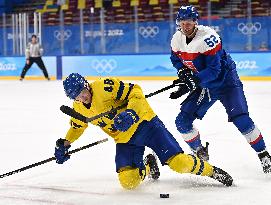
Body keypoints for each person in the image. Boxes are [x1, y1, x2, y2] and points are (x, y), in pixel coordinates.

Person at [54, 73, 233, 190]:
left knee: (179, 163)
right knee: (128, 182)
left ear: (87, 84)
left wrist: (131, 113)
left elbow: (135, 92)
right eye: (76, 96)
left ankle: (212, 171)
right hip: (125, 138)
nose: (82, 97)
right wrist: (65, 144)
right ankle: (149, 165)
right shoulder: (78, 107)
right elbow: (77, 126)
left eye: (82, 92)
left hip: (146, 123)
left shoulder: (104, 86)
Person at [169, 5, 271, 173]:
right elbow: (176, 59)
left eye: (189, 23)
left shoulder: (209, 37)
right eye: (182, 23)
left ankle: (264, 154)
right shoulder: (176, 39)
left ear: (195, 22)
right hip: (205, 84)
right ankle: (199, 152)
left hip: (226, 82)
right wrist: (183, 73)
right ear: (178, 23)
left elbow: (215, 70)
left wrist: (193, 81)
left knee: (240, 118)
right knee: (182, 122)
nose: (185, 26)